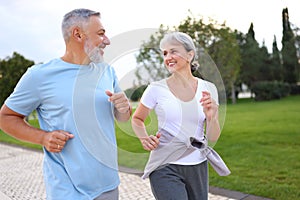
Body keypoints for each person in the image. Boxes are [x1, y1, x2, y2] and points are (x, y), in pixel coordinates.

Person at [0, 8, 131, 200]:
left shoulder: (107, 71)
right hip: (67, 190)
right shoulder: (39, 75)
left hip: (108, 185)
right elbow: (6, 117)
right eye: (101, 34)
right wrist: (43, 137)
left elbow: (122, 117)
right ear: (78, 34)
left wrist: (124, 108)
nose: (107, 40)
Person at [131, 32, 230, 200]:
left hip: (197, 165)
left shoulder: (208, 88)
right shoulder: (156, 89)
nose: (168, 57)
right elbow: (137, 119)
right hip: (164, 165)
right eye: (164, 53)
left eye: (173, 51)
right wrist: (143, 138)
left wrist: (212, 117)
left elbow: (213, 136)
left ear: (190, 55)